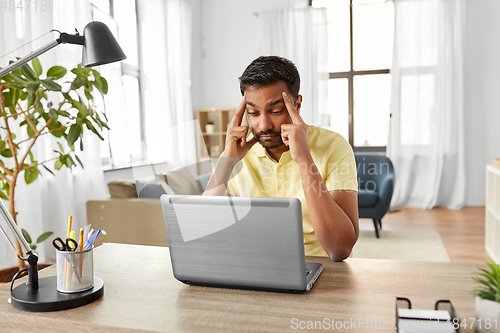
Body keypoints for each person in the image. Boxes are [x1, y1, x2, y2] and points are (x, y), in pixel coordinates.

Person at [203, 56, 358, 261]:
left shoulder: (333, 146)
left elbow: (340, 249)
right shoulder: (237, 152)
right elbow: (205, 229)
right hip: (255, 266)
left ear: (297, 104)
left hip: (320, 266)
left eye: (276, 111)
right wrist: (227, 161)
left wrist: (304, 159)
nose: (264, 125)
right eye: (253, 113)